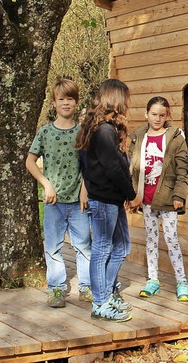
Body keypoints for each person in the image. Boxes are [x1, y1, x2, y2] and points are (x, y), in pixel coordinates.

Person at [76, 79, 141, 322]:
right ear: (115, 99)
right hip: (104, 200)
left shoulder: (107, 130)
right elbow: (113, 168)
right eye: (125, 98)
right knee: (102, 248)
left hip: (113, 199)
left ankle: (106, 292)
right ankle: (100, 302)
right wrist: (132, 195)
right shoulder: (103, 131)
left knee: (122, 247)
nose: (127, 104)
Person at [25, 78, 92, 308]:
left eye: (70, 99)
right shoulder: (45, 133)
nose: (66, 103)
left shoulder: (83, 133)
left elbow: (88, 166)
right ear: (54, 102)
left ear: (77, 102)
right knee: (52, 247)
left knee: (83, 245)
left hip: (78, 201)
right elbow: (30, 161)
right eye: (61, 99)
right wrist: (46, 184)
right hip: (53, 202)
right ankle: (56, 289)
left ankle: (86, 286)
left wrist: (85, 190)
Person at [128, 96, 188, 302]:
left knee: (172, 238)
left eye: (161, 115)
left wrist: (179, 194)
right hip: (146, 199)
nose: (157, 118)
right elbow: (132, 168)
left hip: (168, 198)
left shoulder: (174, 137)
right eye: (153, 114)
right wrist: (132, 195)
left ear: (167, 115)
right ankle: (153, 279)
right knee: (151, 239)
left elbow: (183, 169)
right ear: (146, 114)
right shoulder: (138, 136)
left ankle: (182, 282)